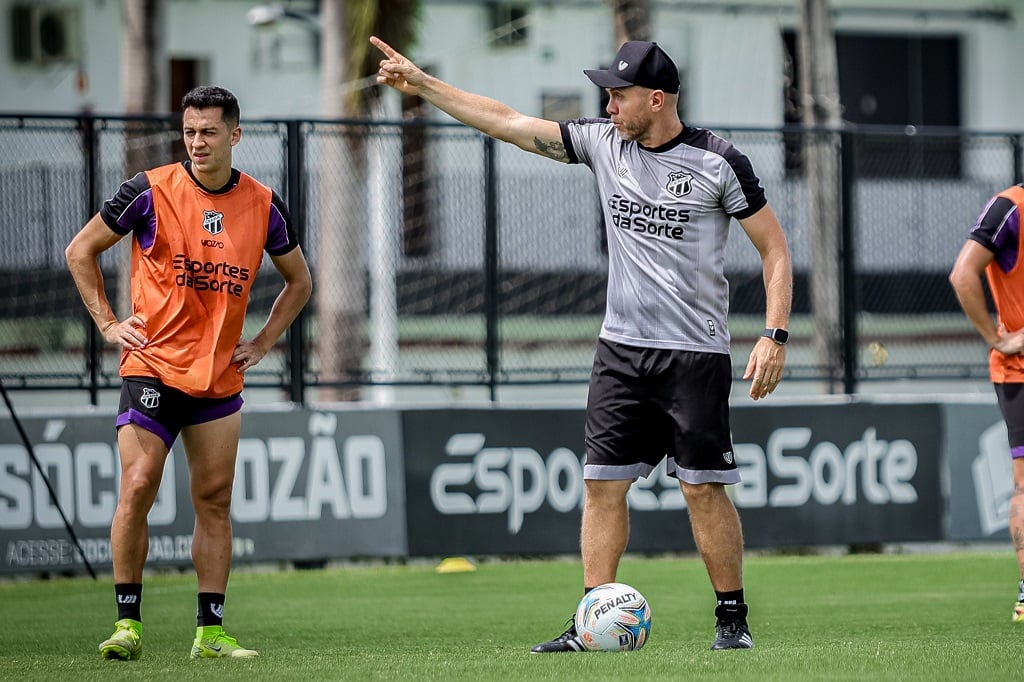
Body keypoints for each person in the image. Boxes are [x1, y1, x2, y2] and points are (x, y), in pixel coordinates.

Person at [371, 37, 792, 651]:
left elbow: (774, 249)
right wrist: (425, 86)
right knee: (601, 485)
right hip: (620, 351)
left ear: (656, 99)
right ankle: (592, 620)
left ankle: (732, 621)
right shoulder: (602, 143)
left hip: (694, 355)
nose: (609, 105)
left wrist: (774, 335)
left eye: (619, 95)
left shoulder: (719, 161)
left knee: (702, 488)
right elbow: (509, 122)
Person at [65, 86, 312, 660]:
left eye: (209, 132)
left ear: (235, 135)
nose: (197, 142)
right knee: (138, 485)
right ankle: (127, 625)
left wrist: (263, 342)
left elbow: (300, 281)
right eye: (190, 131)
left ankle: (211, 633)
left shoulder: (264, 204)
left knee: (215, 500)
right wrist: (108, 324)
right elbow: (80, 251)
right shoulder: (148, 190)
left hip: (218, 379)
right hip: (151, 368)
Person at [950, 183, 1024, 623]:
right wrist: (998, 340)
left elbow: (962, 274)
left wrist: (999, 341)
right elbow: (962, 274)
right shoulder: (1010, 207)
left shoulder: (1011, 206)